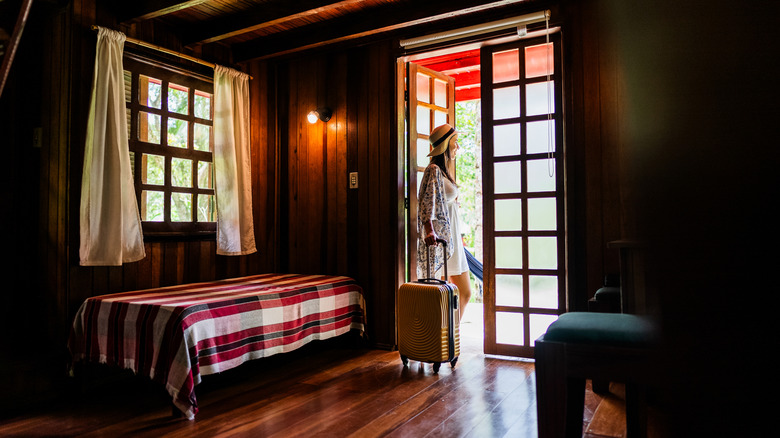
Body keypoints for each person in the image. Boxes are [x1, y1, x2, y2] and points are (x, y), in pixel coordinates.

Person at [417, 123, 473, 321]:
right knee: (454, 293)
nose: (457, 146)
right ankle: (445, 335)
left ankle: (451, 335)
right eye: (455, 142)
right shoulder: (433, 170)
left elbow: (440, 202)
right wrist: (429, 230)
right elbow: (426, 202)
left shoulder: (443, 171)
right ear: (446, 145)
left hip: (452, 238)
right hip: (441, 240)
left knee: (462, 293)